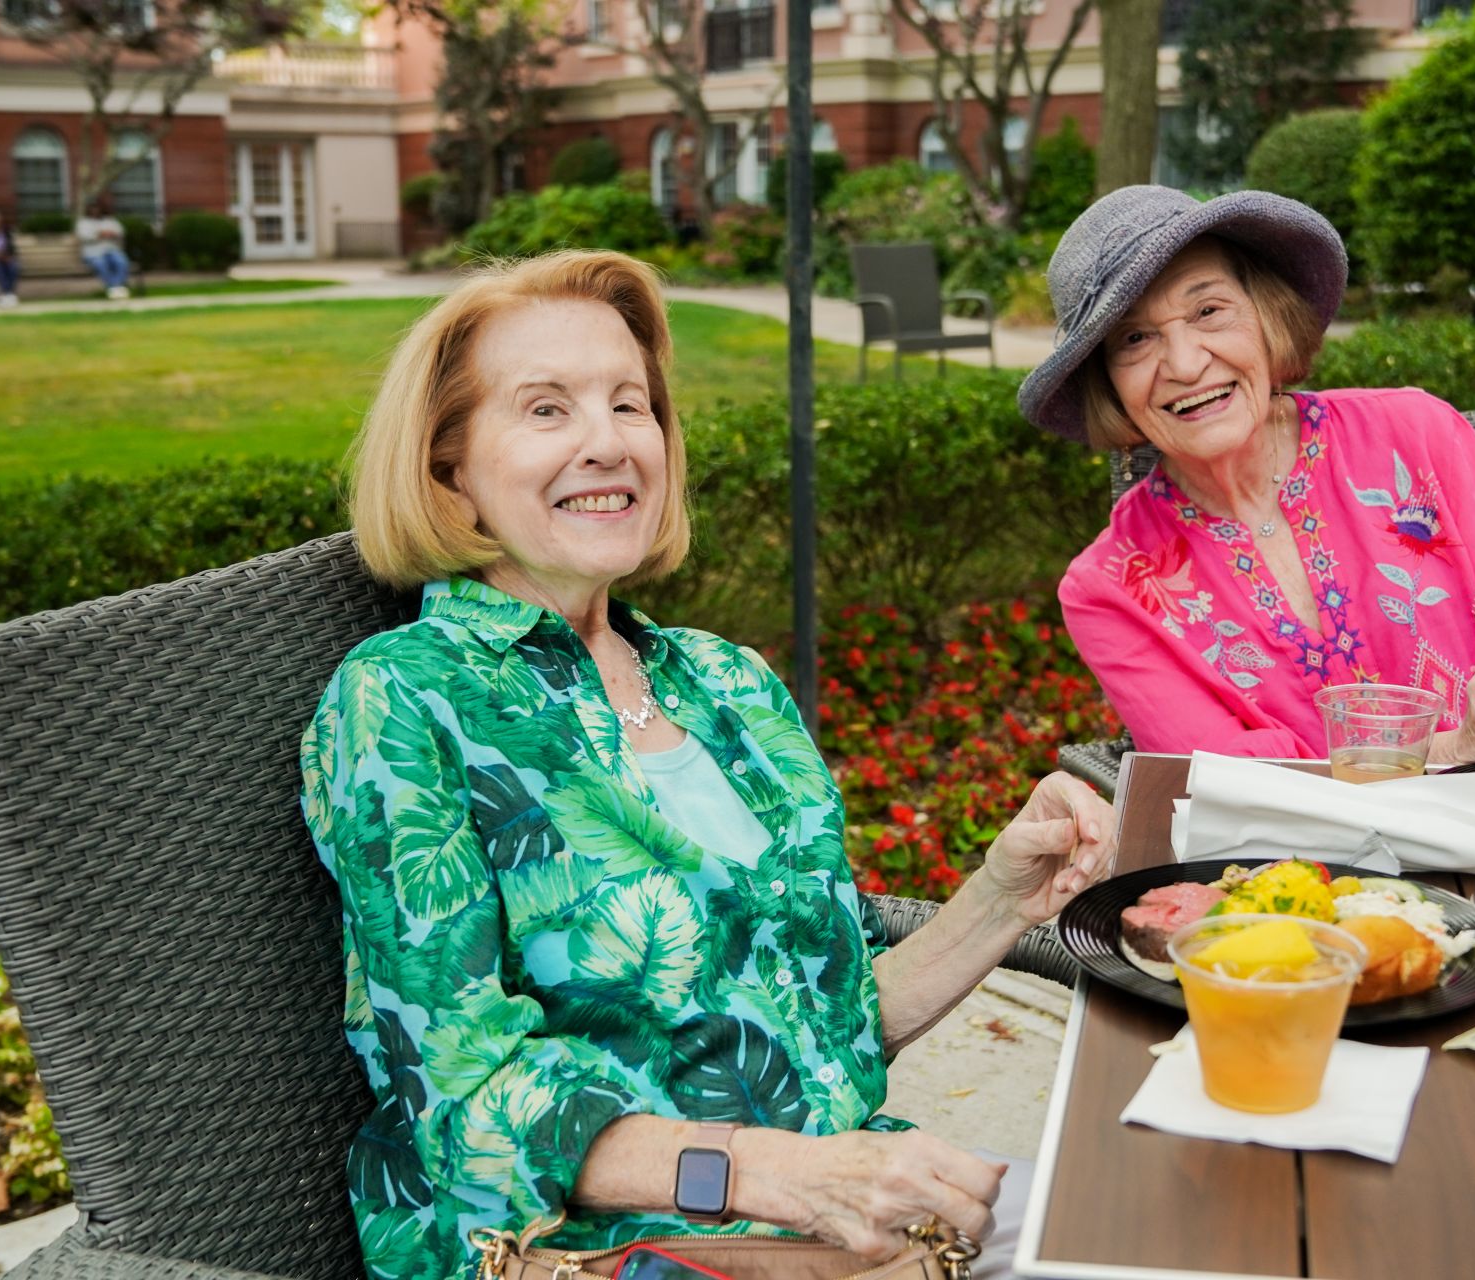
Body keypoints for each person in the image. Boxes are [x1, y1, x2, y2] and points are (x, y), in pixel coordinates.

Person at [299, 249, 1115, 1280]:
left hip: (839, 1216)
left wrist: (1003, 895)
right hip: (587, 1250)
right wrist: (778, 1175)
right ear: (448, 470)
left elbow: (823, 1028)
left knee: (1183, 1225)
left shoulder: (727, 684)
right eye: (546, 410)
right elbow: (466, 1098)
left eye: (629, 404)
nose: (606, 442)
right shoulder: (406, 697)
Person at [1017, 187, 1475, 764]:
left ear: (1265, 317)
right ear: (1107, 383)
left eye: (1208, 310)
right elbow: (1232, 787)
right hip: (1300, 867)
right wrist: (1450, 749)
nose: (1185, 362)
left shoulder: (1415, 434)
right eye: (1135, 338)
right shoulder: (1109, 589)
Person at [75, 198, 132, 299]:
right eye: (92, 209)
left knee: (122, 261)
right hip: (93, 253)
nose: (95, 211)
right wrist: (100, 234)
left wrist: (112, 234)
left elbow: (120, 233)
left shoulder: (110, 221)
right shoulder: (83, 223)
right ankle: (115, 287)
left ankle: (116, 287)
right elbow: (84, 236)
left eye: (97, 209)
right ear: (88, 210)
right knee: (100, 264)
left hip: (111, 250)